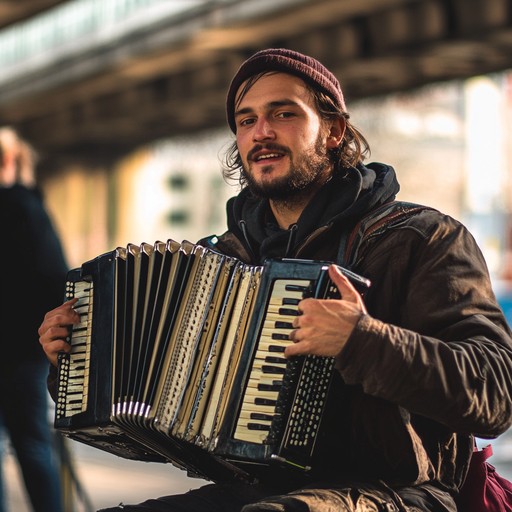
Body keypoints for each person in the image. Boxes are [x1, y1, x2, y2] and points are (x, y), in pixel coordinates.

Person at [38, 48, 512, 512]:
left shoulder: (420, 238)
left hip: (398, 492)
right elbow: (148, 427)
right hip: (254, 488)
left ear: (334, 131)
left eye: (283, 114)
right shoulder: (219, 263)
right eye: (246, 121)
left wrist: (361, 341)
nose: (260, 132)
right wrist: (77, 358)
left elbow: (495, 395)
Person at [0, 127, 67, 512]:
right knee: (34, 446)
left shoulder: (21, 208)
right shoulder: (29, 207)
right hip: (24, 352)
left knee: (32, 447)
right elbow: (56, 280)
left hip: (19, 355)